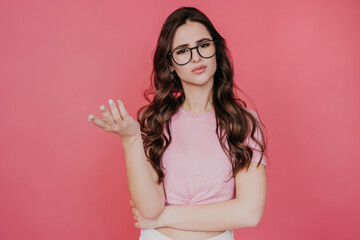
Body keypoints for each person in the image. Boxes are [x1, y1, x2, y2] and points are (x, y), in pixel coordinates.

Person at [88, 6, 268, 240]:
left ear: (216, 50)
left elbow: (249, 213)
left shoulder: (243, 123)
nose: (196, 56)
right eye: (183, 51)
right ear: (170, 63)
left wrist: (164, 217)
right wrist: (131, 139)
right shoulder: (155, 122)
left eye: (203, 45)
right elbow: (150, 209)